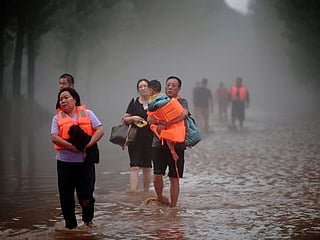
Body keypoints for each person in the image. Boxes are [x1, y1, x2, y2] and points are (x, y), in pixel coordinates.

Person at [51, 87, 104, 229]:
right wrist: (72, 147)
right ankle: (71, 227)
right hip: (65, 164)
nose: (63, 101)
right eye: (60, 99)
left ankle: (88, 221)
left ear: (74, 99)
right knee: (66, 197)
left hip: (85, 164)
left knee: (86, 196)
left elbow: (100, 129)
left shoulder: (88, 113)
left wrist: (89, 144)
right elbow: (54, 137)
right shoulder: (57, 118)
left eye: (66, 97)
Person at [148, 76, 189, 207]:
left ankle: (173, 207)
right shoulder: (157, 101)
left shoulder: (182, 101)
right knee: (157, 173)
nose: (170, 87)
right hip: (158, 143)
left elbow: (184, 114)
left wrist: (167, 123)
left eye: (174, 85)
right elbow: (149, 119)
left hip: (177, 144)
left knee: (174, 177)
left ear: (179, 88)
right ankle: (160, 197)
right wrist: (159, 122)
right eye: (168, 85)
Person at [122, 79, 154, 193]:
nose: (143, 88)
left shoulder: (154, 102)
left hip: (150, 138)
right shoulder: (134, 102)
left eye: (145, 86)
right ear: (138, 90)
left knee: (147, 167)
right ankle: (133, 191)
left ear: (149, 88)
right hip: (135, 138)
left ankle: (146, 192)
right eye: (140, 87)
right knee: (134, 166)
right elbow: (125, 118)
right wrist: (133, 118)